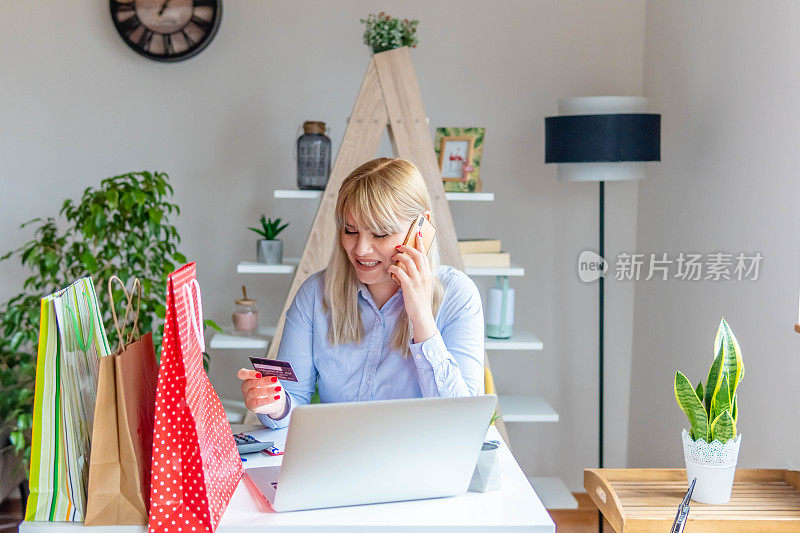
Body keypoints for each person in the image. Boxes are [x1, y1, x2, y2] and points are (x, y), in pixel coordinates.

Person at [237, 157, 485, 428]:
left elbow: (464, 423)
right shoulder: (314, 296)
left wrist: (422, 318)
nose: (360, 249)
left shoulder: (459, 296)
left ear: (420, 229)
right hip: (337, 459)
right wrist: (275, 405)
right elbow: (292, 400)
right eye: (350, 231)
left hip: (418, 463)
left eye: (380, 234)